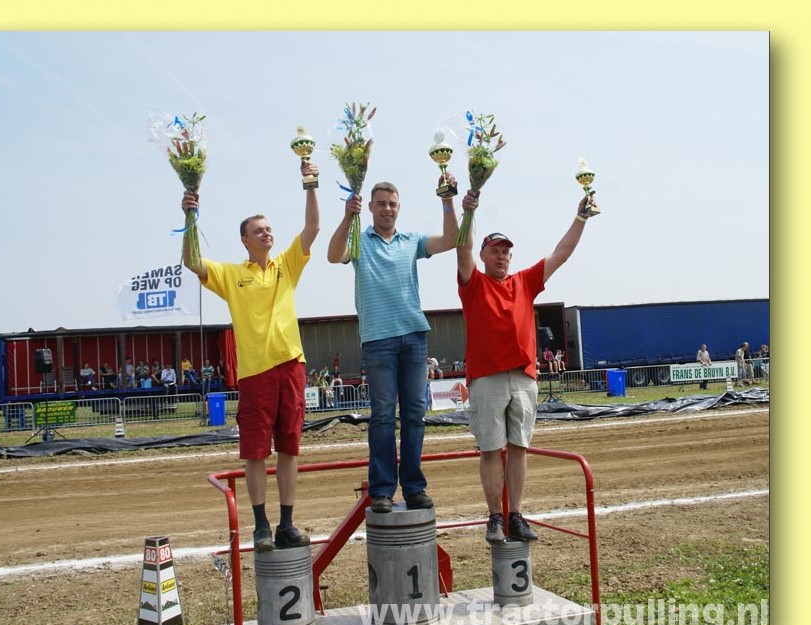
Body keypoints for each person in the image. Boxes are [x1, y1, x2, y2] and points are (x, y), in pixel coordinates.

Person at [181, 157, 319, 552]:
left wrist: (311, 184)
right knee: (256, 452)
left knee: (290, 448)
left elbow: (312, 228)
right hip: (255, 373)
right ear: (244, 240)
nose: (266, 233)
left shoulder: (286, 266)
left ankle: (286, 524)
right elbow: (191, 261)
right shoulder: (231, 274)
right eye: (258, 230)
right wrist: (190, 217)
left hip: (291, 366)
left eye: (269, 229)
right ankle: (261, 527)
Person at [456, 192, 596, 543]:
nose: (501, 256)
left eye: (506, 252)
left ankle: (516, 515)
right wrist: (468, 214)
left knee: (518, 447)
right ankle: (494, 517)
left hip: (523, 378)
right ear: (484, 255)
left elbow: (561, 253)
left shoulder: (524, 281)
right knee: (490, 449)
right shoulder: (474, 284)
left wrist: (580, 218)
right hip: (487, 378)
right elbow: (462, 249)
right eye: (495, 251)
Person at [327, 175, 459, 514]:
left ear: (399, 208)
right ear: (370, 207)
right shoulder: (358, 240)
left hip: (414, 336)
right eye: (381, 203)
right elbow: (333, 255)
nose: (387, 209)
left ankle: (414, 487)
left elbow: (452, 239)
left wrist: (447, 199)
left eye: (392, 204)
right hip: (377, 339)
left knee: (415, 414)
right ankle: (383, 489)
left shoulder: (411, 240)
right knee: (383, 416)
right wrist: (348, 216)